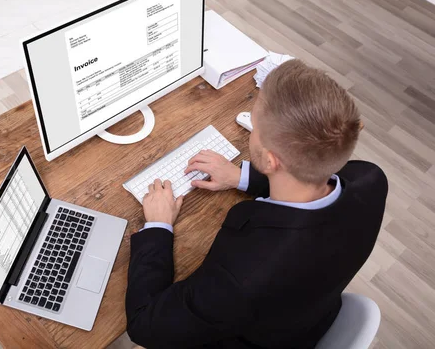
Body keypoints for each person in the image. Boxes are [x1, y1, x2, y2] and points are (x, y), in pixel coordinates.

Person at [125, 59, 388, 349]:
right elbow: (312, 173)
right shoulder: (371, 180)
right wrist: (242, 177)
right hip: (304, 317)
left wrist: (158, 226)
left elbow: (144, 325)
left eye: (255, 123)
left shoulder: (241, 280)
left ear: (272, 160)